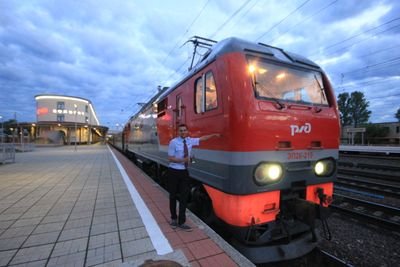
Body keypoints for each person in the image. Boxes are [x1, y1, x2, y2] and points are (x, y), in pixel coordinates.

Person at [167, 123, 220, 231]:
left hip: (184, 172)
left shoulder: (190, 141)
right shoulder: (173, 142)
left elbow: (202, 138)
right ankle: (173, 218)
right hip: (173, 171)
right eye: (181, 130)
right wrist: (184, 160)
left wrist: (214, 135)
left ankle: (181, 222)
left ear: (187, 131)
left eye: (184, 130)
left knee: (184, 197)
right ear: (178, 132)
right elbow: (171, 158)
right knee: (172, 196)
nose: (183, 132)